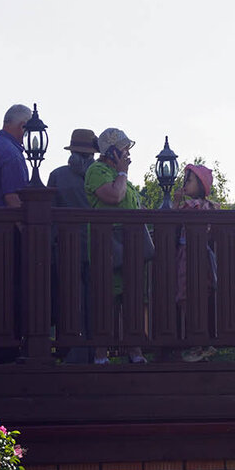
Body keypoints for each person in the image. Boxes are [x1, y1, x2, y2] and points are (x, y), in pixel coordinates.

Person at [84, 127, 148, 364]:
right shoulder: (97, 170)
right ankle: (101, 355)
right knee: (106, 300)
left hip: (130, 248)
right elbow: (114, 197)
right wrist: (122, 174)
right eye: (123, 149)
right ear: (111, 151)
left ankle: (135, 352)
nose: (128, 154)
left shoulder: (123, 177)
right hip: (107, 247)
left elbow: (134, 205)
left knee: (132, 298)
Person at [48, 128, 99, 364]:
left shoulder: (57, 175)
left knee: (69, 302)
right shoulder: (100, 178)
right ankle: (95, 354)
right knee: (95, 303)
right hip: (96, 249)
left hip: (65, 250)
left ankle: (72, 353)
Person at [173, 163, 219, 362]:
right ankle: (201, 343)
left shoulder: (192, 206)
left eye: (188, 181)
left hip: (189, 254)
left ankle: (196, 343)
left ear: (200, 185)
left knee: (186, 295)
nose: (184, 184)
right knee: (201, 296)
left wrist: (175, 202)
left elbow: (172, 219)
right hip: (202, 255)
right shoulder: (209, 206)